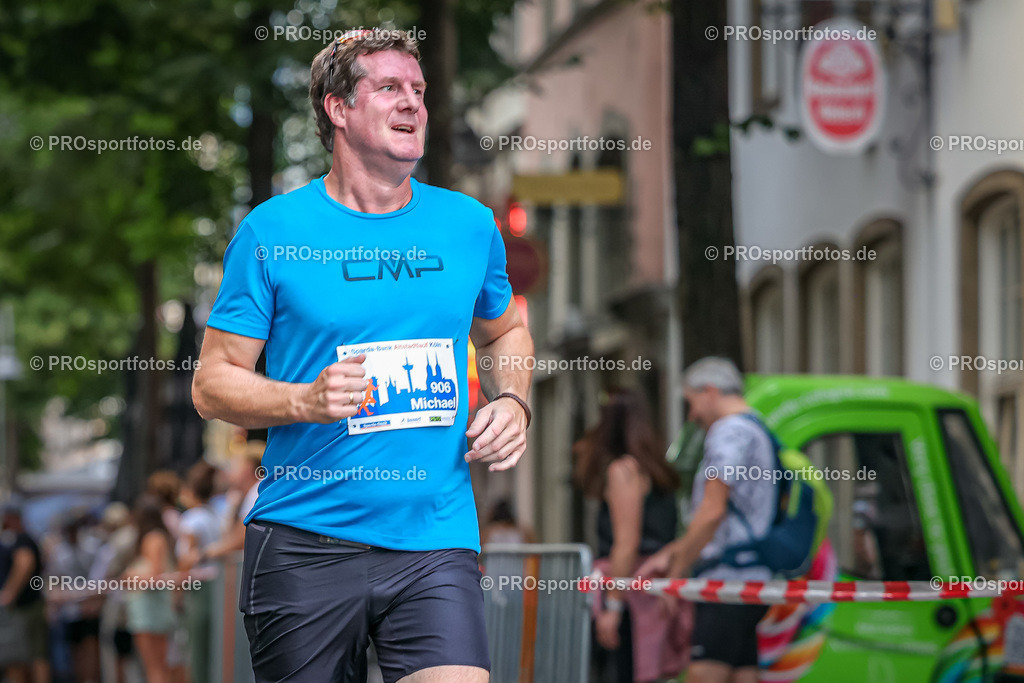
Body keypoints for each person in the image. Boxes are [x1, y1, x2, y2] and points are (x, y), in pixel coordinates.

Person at [191, 27, 534, 683]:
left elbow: (505, 332)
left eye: (419, 91)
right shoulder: (273, 232)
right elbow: (211, 384)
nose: (413, 104)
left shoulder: (468, 224)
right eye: (389, 89)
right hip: (304, 541)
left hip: (434, 538)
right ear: (338, 108)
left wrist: (514, 399)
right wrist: (303, 399)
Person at [638, 358, 776, 683]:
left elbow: (712, 511)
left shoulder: (728, 433)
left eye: (691, 402)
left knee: (704, 674)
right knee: (743, 674)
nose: (692, 416)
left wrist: (676, 572)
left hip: (726, 582)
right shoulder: (756, 428)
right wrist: (674, 551)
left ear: (710, 392)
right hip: (752, 577)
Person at [573, 388, 689, 683]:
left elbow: (626, 543)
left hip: (629, 593)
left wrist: (613, 606)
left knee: (623, 671)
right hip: (652, 589)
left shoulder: (623, 470)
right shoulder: (654, 469)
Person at [176, 461, 221, 683]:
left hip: (198, 587)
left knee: (196, 650)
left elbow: (187, 559)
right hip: (216, 585)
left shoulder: (191, 519)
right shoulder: (213, 515)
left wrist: (177, 592)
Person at [124, 495, 177, 683]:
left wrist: (130, 576)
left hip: (149, 609)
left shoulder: (152, 539)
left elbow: (154, 576)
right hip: (154, 608)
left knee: (154, 667)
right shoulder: (159, 537)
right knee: (158, 666)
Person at [0, 504, 50, 683]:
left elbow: (24, 563)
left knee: (30, 655)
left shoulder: (21, 539)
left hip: (25, 607)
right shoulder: (17, 538)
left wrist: (9, 593)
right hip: (24, 606)